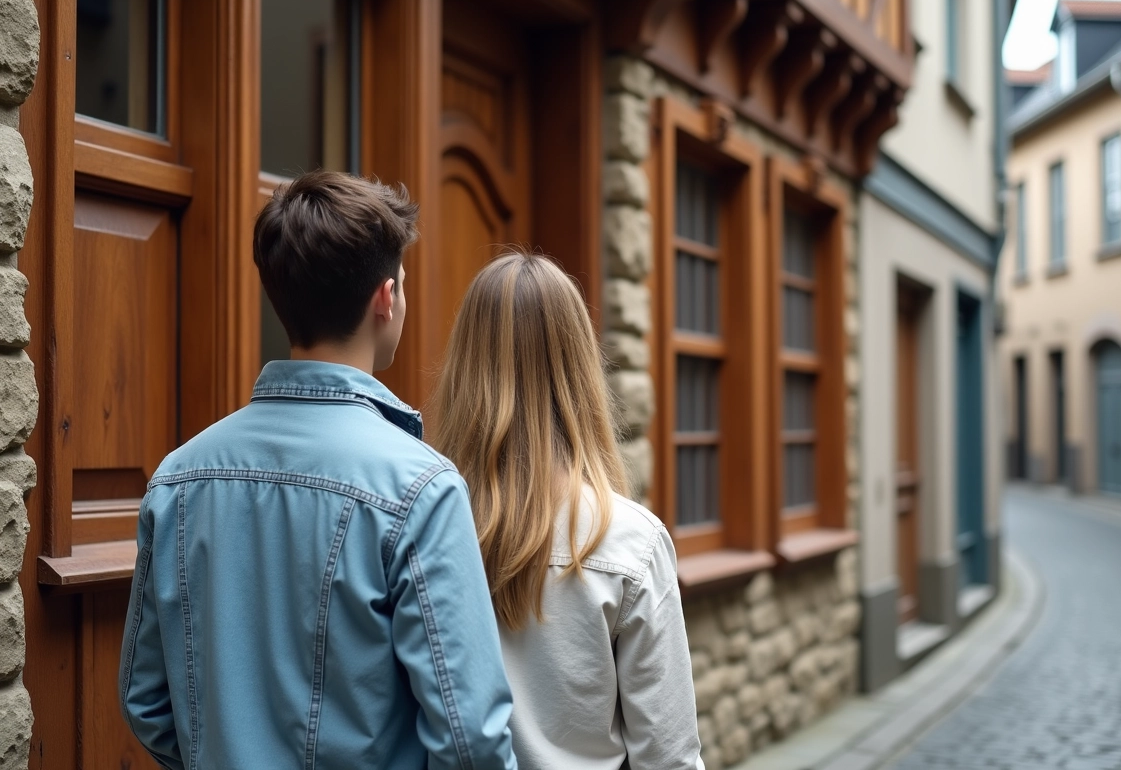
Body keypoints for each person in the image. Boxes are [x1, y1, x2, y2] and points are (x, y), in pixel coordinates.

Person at [119, 170, 517, 770]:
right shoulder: (420, 488)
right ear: (386, 299)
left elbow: (145, 702)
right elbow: (471, 744)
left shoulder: (177, 478)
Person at [431, 252, 704, 770]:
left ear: (464, 366)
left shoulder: (423, 526)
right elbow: (668, 757)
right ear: (579, 367)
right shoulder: (630, 542)